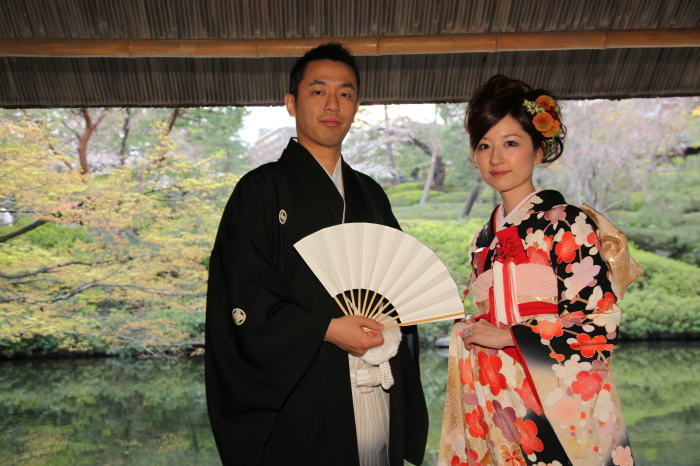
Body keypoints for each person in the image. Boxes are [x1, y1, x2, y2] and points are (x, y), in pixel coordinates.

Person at [205, 43, 428, 466]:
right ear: (291, 102)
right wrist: (324, 328)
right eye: (318, 91)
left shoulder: (370, 193)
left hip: (374, 382)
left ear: (356, 106)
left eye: (345, 93)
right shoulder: (259, 191)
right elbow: (243, 297)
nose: (333, 104)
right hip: (302, 398)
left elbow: (398, 286)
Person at [438, 75, 634, 466]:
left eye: (511, 143)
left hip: (557, 401)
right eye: (484, 145)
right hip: (497, 401)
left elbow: (599, 323)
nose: (496, 158)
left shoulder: (568, 222)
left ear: (539, 151)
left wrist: (510, 336)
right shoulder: (482, 240)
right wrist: (472, 331)